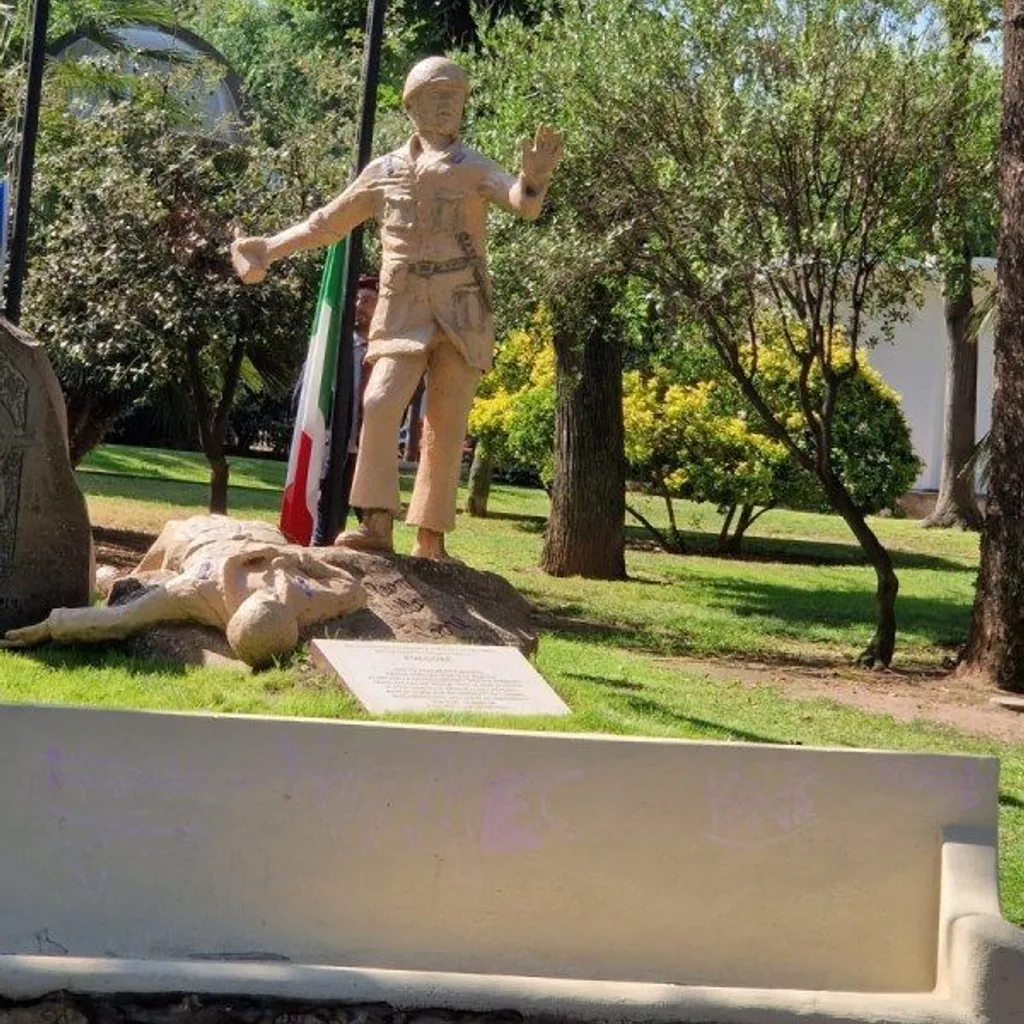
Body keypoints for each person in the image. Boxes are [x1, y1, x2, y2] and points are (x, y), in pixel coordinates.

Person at [230, 56, 562, 562]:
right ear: (411, 106)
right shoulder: (382, 171)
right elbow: (328, 223)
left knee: (446, 423)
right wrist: (268, 249)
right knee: (381, 403)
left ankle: (431, 537)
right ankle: (376, 523)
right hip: (403, 305)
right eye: (437, 94)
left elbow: (521, 202)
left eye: (456, 95)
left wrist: (533, 180)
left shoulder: (473, 167)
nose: (449, 103)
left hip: (461, 308)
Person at [1, 515, 366, 668]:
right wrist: (301, 558)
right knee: (135, 584)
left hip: (194, 535)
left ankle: (113, 580)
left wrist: (52, 625)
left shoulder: (196, 592)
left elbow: (120, 621)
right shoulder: (302, 599)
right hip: (262, 530)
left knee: (135, 585)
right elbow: (353, 589)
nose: (270, 588)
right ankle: (114, 579)